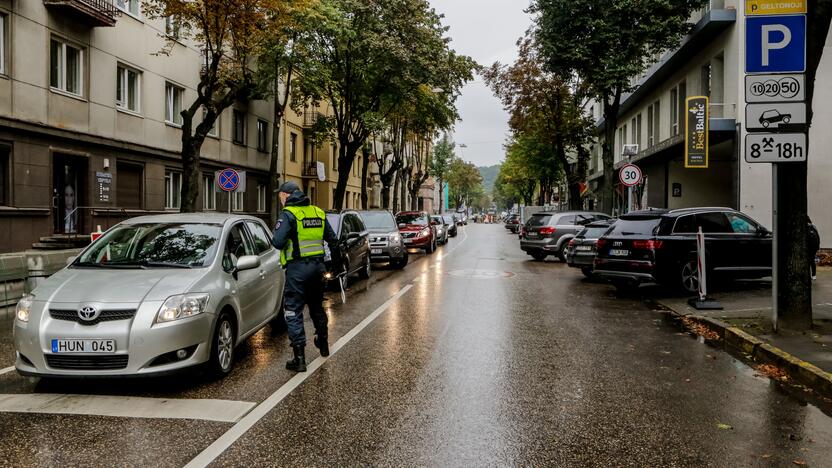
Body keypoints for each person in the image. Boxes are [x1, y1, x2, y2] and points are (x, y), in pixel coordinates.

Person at [272, 181, 340, 372]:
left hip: (297, 270)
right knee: (317, 307)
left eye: (280, 196)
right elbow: (333, 241)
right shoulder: (318, 212)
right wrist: (335, 266)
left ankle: (299, 358)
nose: (280, 199)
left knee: (293, 310)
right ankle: (323, 343)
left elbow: (277, 242)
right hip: (318, 268)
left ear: (286, 195)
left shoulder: (289, 214)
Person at [808, 216, 820, 281]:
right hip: (814, 247)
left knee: (807, 261)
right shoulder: (814, 227)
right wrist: (818, 247)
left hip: (808, 247)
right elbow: (818, 237)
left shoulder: (805, 227)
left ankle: (808, 275)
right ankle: (814, 275)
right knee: (812, 261)